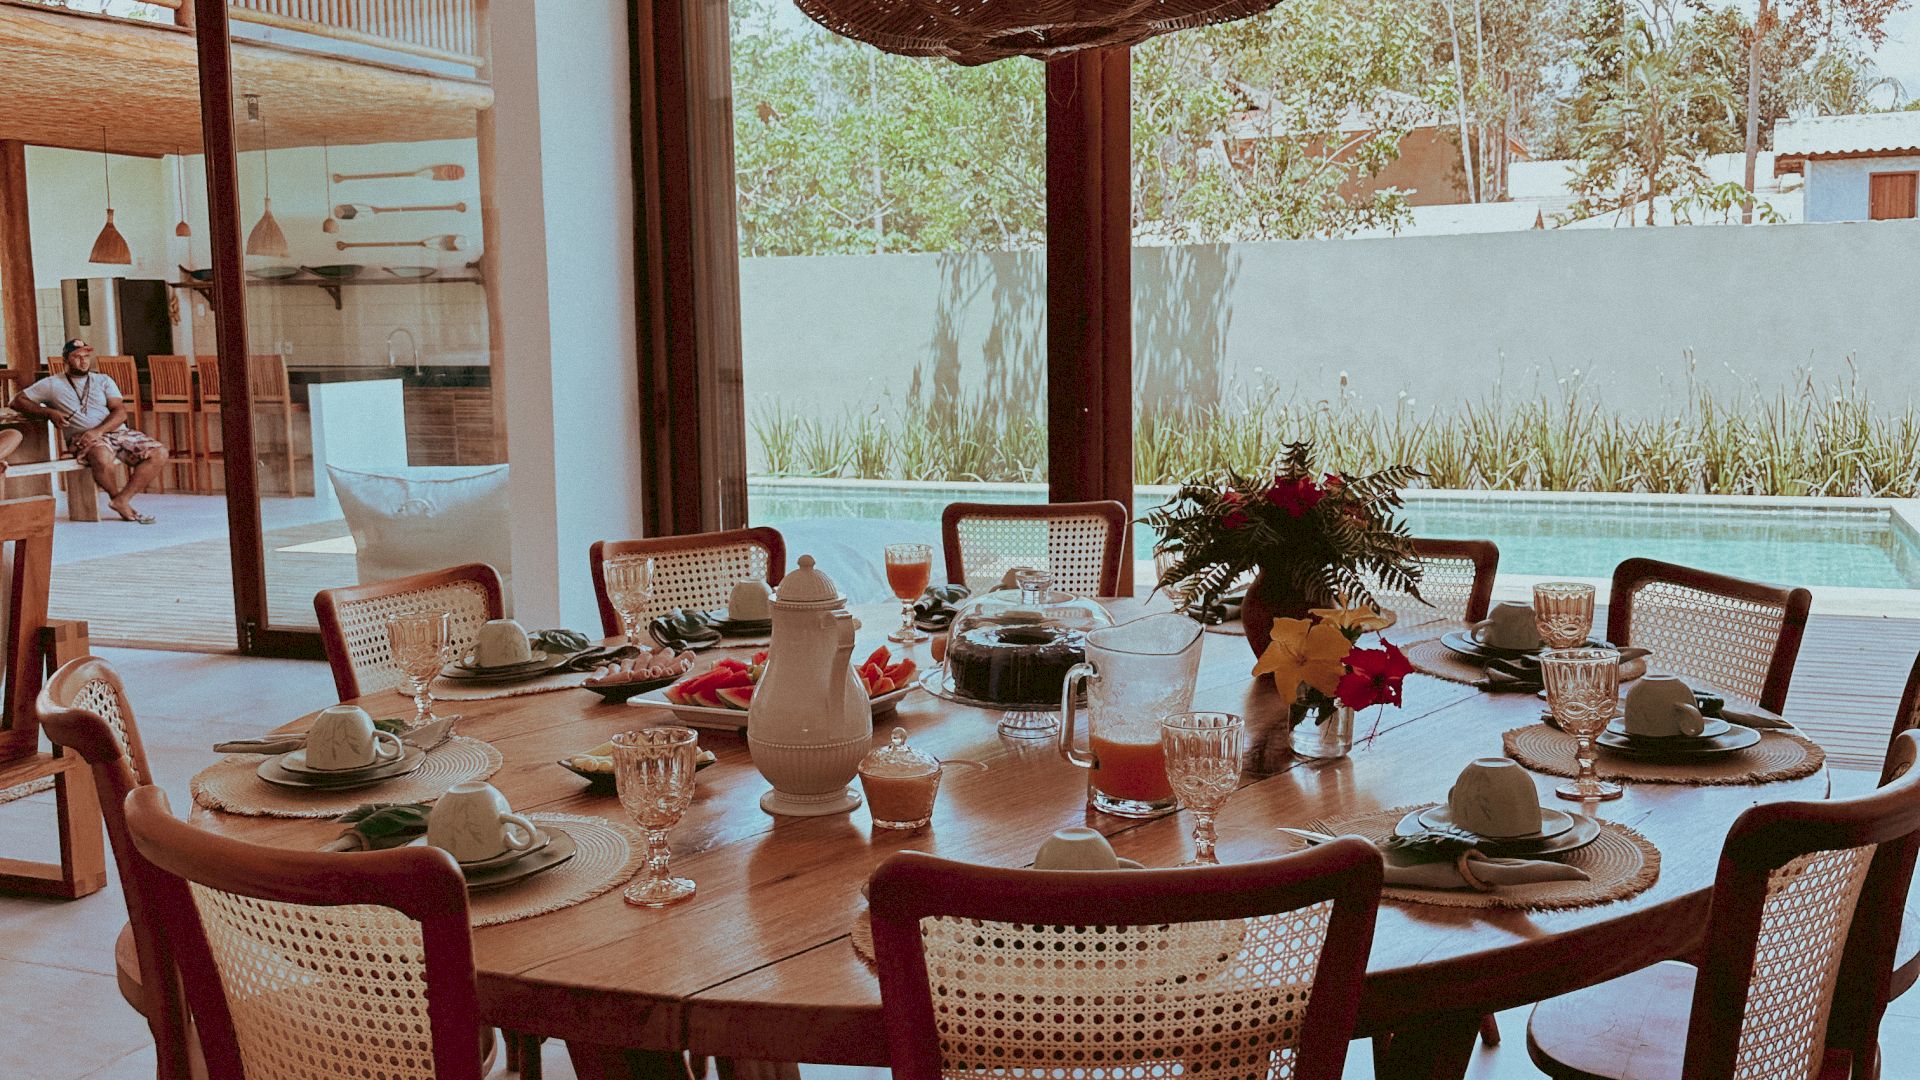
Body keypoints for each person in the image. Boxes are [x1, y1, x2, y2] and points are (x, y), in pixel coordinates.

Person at [11, 339, 168, 524]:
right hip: (83, 437)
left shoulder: (103, 380)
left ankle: (122, 500)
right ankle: (117, 499)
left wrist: (98, 431)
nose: (83, 361)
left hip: (116, 432)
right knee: (101, 457)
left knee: (159, 453)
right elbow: (17, 401)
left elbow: (120, 412)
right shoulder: (52, 384)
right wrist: (49, 412)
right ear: (66, 360)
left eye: (86, 356)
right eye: (77, 357)